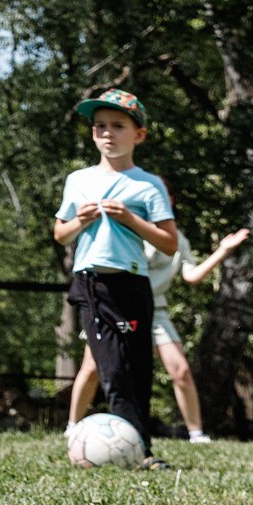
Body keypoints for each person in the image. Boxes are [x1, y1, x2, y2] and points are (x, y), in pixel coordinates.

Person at [50, 88, 178, 468]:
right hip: (93, 284)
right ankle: (138, 452)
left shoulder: (147, 184)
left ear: (138, 135)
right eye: (100, 126)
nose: (107, 133)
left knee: (137, 368)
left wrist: (132, 220)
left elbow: (169, 244)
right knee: (114, 367)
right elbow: (60, 233)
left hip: (133, 285)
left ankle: (138, 444)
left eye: (118, 126)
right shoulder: (78, 180)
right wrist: (80, 221)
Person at [65, 225, 247, 445]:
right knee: (92, 368)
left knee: (180, 370)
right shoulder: (125, 228)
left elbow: (191, 275)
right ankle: (73, 426)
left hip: (156, 310)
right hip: (116, 308)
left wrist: (223, 250)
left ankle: (196, 434)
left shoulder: (177, 238)